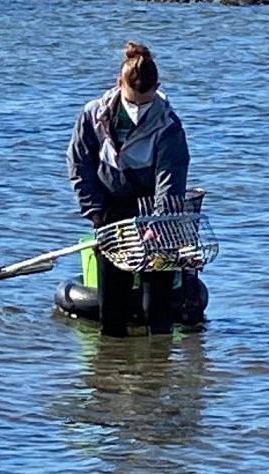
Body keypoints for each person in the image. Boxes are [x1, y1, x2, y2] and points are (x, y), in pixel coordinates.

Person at [66, 41, 190, 337]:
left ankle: (157, 369)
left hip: (155, 216)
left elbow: (169, 178)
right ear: (118, 83)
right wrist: (95, 212)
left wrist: (158, 224)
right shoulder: (93, 115)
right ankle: (109, 369)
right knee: (112, 309)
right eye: (132, 101)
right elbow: (79, 164)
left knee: (155, 310)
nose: (137, 108)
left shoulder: (168, 125)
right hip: (112, 210)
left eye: (144, 102)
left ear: (157, 88)